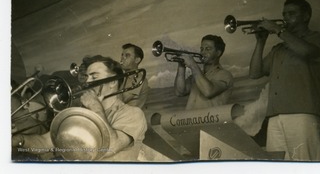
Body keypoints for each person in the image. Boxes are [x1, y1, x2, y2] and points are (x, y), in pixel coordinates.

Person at [12, 55, 148, 161]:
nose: (87, 82)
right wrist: (20, 140)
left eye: (94, 77)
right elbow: (45, 142)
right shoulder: (81, 113)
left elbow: (111, 146)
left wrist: (95, 106)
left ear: (112, 82)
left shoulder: (133, 114)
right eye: (87, 77)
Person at [248, 0, 320, 161]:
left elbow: (306, 51)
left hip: (302, 114)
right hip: (275, 116)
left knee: (306, 165)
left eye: (291, 13)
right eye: (284, 14)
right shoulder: (279, 48)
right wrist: (260, 42)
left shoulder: (315, 38)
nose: (285, 17)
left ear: (306, 16)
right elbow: (255, 73)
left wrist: (278, 30)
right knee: (278, 166)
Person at [174, 35, 234, 110]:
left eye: (208, 49)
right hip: (191, 120)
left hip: (211, 120)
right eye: (201, 49)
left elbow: (208, 91)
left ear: (218, 53)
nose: (203, 52)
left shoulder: (225, 75)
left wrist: (193, 65)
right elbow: (180, 92)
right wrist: (181, 65)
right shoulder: (196, 76)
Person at [119, 43, 150, 109]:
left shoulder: (139, 79)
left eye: (127, 55)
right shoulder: (122, 77)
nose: (122, 58)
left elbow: (124, 100)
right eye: (122, 55)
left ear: (137, 60)